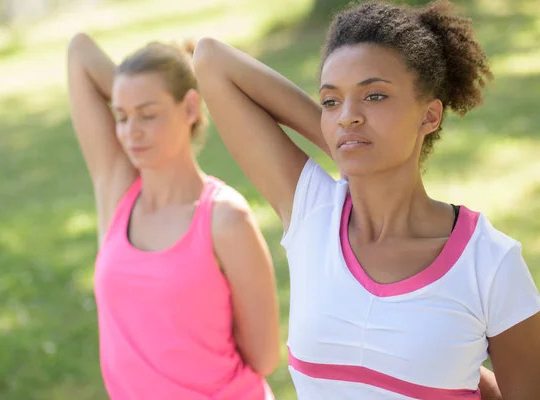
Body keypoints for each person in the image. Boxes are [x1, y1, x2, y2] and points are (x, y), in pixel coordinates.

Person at [192, 0, 540, 398]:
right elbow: (211, 59)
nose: (347, 115)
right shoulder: (312, 214)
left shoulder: (490, 265)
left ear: (428, 116)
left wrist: (355, 145)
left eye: (374, 96)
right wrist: (349, 147)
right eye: (331, 101)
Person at [66, 33, 279, 399]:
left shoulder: (226, 219)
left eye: (148, 115)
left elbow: (263, 357)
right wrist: (143, 88)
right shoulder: (117, 193)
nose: (131, 133)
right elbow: (79, 51)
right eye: (121, 116)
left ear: (190, 108)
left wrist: (170, 77)